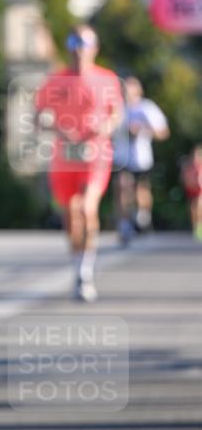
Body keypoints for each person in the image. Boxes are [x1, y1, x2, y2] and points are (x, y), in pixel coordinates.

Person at [35, 25, 123, 302]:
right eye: (74, 43)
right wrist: (58, 128)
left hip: (95, 154)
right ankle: (77, 266)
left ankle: (86, 271)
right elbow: (39, 115)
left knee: (87, 208)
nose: (79, 50)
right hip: (64, 157)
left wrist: (103, 127)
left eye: (84, 44)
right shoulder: (55, 80)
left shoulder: (107, 79)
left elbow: (117, 114)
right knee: (71, 215)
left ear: (94, 48)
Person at [112, 76, 169, 244]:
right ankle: (124, 225)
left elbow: (163, 132)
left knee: (140, 190)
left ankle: (142, 216)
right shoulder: (118, 108)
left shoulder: (147, 108)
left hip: (141, 158)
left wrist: (142, 129)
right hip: (121, 157)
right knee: (122, 187)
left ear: (139, 90)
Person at [181, 145, 202, 241]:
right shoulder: (188, 167)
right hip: (191, 190)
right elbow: (184, 179)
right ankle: (195, 227)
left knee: (199, 207)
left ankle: (200, 226)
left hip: (200, 190)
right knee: (193, 209)